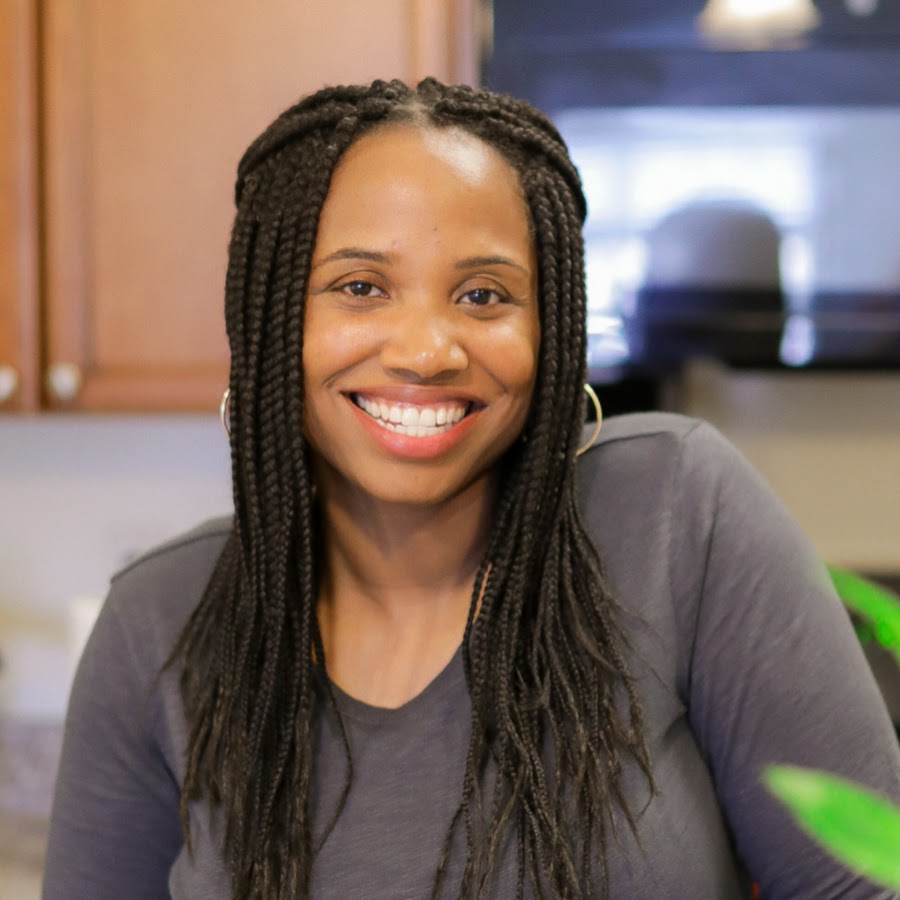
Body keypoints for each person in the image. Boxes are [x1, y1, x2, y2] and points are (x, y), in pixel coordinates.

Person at [43, 78, 900, 900]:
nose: (426, 351)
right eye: (360, 287)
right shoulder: (156, 623)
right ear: (270, 321)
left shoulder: (678, 517)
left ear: (550, 328)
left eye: (483, 295)